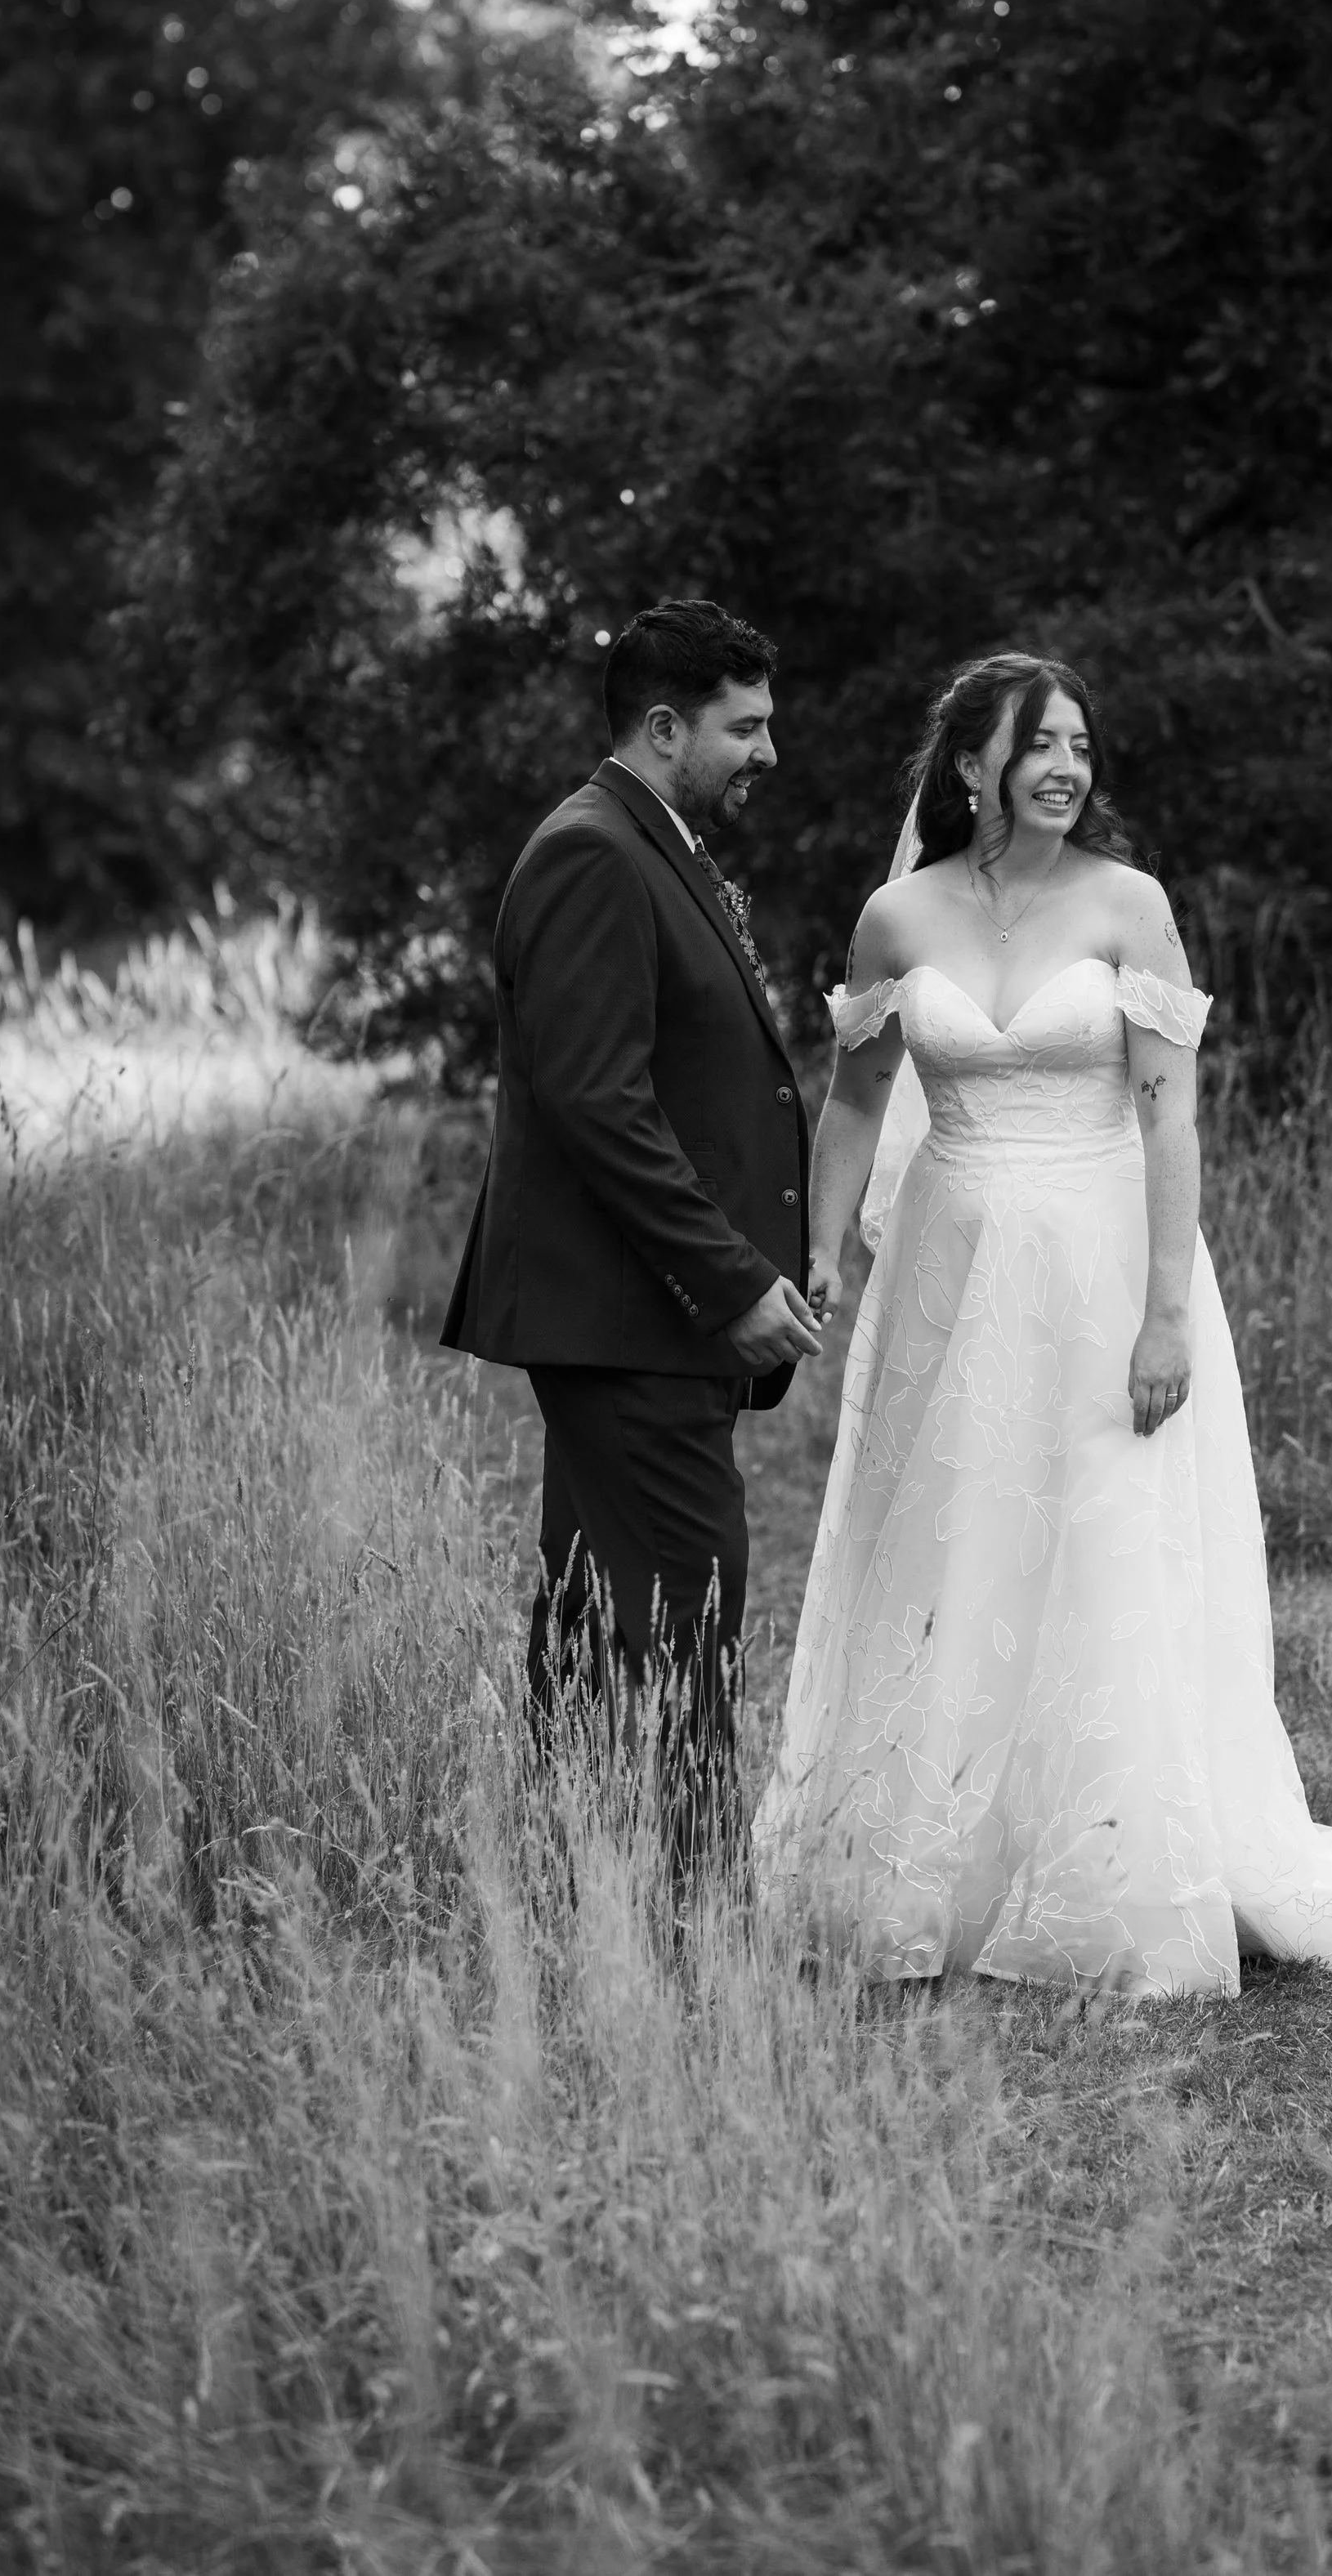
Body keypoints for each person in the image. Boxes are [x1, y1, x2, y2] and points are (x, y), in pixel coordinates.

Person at [754, 653, 1332, 1994]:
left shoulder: (1129, 906)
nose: (1067, 767)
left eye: (1082, 744)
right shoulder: (895, 919)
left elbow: (1170, 1116)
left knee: (1100, 1541)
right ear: (973, 762)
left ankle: (1111, 1862)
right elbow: (857, 1102)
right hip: (951, 1266)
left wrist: (1165, 1317)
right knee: (955, 1535)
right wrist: (821, 1245)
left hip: (1105, 1267)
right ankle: (939, 1862)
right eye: (1041, 743)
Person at [442, 598, 820, 1872]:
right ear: (665, 726)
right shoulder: (595, 852)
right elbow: (596, 1101)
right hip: (635, 1312)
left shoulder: (645, 839)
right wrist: (729, 1282)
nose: (767, 751)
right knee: (683, 1608)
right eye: (745, 726)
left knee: (604, 1620)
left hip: (636, 1315)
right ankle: (690, 1922)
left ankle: (575, 1890)